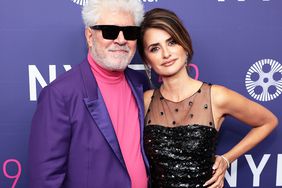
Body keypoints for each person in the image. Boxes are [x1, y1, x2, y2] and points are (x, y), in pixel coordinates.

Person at [137, 8, 278, 188]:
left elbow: (268, 121)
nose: (166, 54)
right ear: (147, 59)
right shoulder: (146, 100)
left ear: (184, 44)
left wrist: (227, 159)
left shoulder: (216, 96)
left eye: (172, 42)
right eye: (154, 48)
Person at [28, 0, 149, 187]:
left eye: (130, 32)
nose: (121, 40)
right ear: (90, 36)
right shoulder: (59, 94)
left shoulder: (140, 83)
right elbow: (45, 179)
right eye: (110, 31)